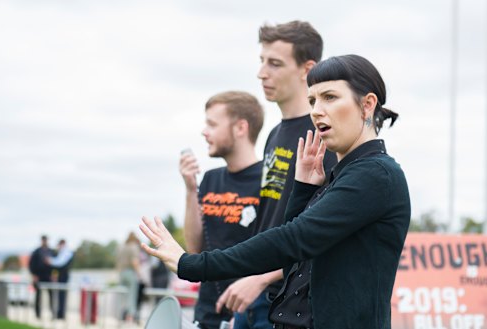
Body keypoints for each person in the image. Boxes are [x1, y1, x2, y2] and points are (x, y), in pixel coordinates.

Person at [139, 54, 411, 329]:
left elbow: (293, 239)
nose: (316, 110)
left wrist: (193, 265)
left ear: (367, 105)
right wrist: (303, 190)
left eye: (330, 97)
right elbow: (294, 255)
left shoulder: (376, 174)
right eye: (313, 100)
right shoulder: (338, 177)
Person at [216, 21, 337, 329]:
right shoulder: (273, 134)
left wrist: (262, 278)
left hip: (289, 301)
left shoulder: (324, 136)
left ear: (306, 69)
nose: (262, 73)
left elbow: (324, 235)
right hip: (252, 296)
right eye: (261, 62)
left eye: (275, 63)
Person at [180, 91, 264, 329]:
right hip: (207, 313)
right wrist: (190, 190)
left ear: (240, 128)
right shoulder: (210, 179)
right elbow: (195, 249)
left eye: (212, 124)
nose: (204, 132)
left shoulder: (269, 181)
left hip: (251, 315)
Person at [116, 232, 142, 323]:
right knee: (132, 295)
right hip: (130, 273)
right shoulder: (133, 247)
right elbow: (134, 261)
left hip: (121, 273)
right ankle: (129, 317)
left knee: (122, 295)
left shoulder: (121, 247)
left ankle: (120, 316)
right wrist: (139, 273)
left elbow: (117, 261)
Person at [46, 239, 74, 320]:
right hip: (60, 277)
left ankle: (61, 314)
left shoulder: (67, 252)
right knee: (60, 296)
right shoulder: (63, 252)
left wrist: (50, 261)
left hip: (64, 277)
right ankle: (59, 313)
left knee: (62, 296)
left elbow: (60, 263)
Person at [28, 235, 53, 319]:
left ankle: (52, 313)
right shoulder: (36, 252)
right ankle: (38, 314)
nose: (45, 242)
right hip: (38, 276)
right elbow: (31, 264)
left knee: (51, 296)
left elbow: (55, 265)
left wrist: (54, 275)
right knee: (38, 296)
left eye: (46, 240)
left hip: (48, 277)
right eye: (43, 240)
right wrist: (34, 275)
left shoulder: (51, 251)